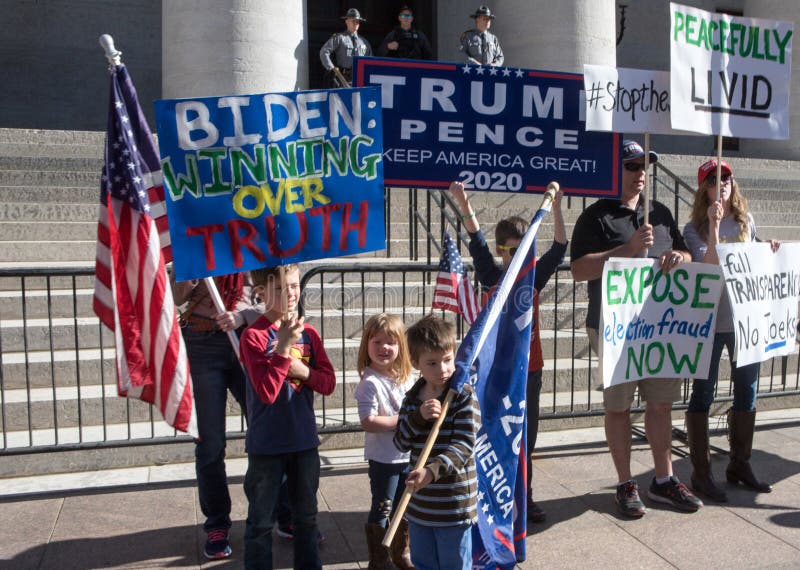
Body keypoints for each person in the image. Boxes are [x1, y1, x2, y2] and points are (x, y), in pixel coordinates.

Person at [570, 139, 703, 517]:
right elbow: (579, 270)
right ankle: (626, 482)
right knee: (619, 409)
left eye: (645, 166)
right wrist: (625, 249)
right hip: (614, 329)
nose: (640, 174)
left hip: (660, 329)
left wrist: (682, 256)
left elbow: (686, 253)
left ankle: (664, 479)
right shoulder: (595, 215)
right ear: (614, 171)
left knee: (661, 405)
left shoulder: (658, 212)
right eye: (632, 166)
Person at [449, 180, 567, 522]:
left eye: (521, 250)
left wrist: (556, 207)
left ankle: (524, 498)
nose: (513, 256)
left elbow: (559, 248)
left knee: (526, 438)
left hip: (529, 370)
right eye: (508, 249)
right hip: (495, 373)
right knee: (494, 435)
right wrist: (463, 200)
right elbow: (476, 239)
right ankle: (490, 494)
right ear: (501, 250)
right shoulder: (491, 276)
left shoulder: (532, 277)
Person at [682, 158, 779, 501]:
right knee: (702, 395)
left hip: (744, 321)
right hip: (710, 322)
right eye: (713, 179)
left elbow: (753, 265)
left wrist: (770, 251)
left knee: (747, 393)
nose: (721, 183)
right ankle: (701, 472)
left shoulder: (745, 221)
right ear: (703, 188)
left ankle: (740, 463)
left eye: (725, 178)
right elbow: (708, 267)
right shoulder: (693, 227)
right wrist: (712, 226)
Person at [239, 265, 336, 569]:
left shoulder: (309, 333)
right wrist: (282, 349)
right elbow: (266, 393)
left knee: (306, 519)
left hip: (303, 440)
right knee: (261, 522)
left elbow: (329, 383)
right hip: (267, 444)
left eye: (294, 285)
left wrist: (303, 371)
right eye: (281, 288)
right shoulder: (253, 337)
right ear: (261, 293)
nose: (291, 293)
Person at [171, 272, 262, 559]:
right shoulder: (195, 242)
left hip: (247, 339)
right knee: (210, 443)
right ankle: (217, 523)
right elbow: (175, 297)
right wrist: (191, 269)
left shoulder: (254, 235)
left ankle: (279, 511)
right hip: (200, 341)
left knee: (267, 434)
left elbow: (280, 296)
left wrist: (244, 315)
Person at [393, 315, 479, 570]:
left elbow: (464, 445)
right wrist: (418, 417)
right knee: (424, 563)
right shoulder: (412, 398)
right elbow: (400, 442)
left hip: (453, 504)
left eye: (447, 360)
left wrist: (432, 472)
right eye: (432, 363)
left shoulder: (462, 395)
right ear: (415, 362)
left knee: (454, 564)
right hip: (420, 505)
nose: (442, 369)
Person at [354, 313, 416, 569]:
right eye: (377, 342)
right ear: (366, 346)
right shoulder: (369, 382)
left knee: (405, 508)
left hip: (408, 458)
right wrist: (404, 420)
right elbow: (368, 421)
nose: (383, 348)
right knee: (383, 507)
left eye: (390, 342)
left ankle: (401, 554)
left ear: (401, 346)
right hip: (384, 460)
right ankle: (378, 559)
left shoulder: (408, 378)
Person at [320, 8, 373, 87]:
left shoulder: (364, 42)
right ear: (347, 21)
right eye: (353, 21)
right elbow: (324, 51)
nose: (356, 23)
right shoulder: (339, 38)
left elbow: (370, 61)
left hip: (360, 79)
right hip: (342, 78)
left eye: (357, 21)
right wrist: (331, 68)